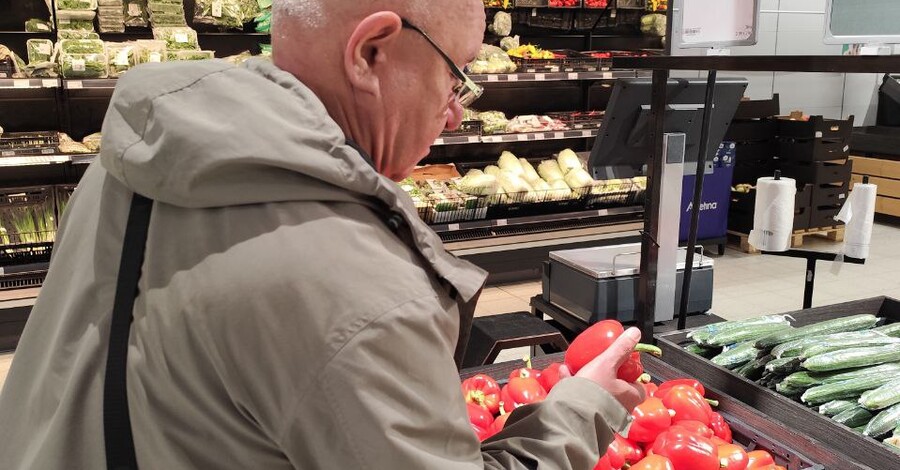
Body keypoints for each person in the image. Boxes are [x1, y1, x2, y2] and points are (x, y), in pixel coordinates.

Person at [0, 1, 644, 468]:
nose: (455, 111)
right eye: (457, 74)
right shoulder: (359, 288)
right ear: (371, 52)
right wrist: (579, 409)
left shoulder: (130, 162)